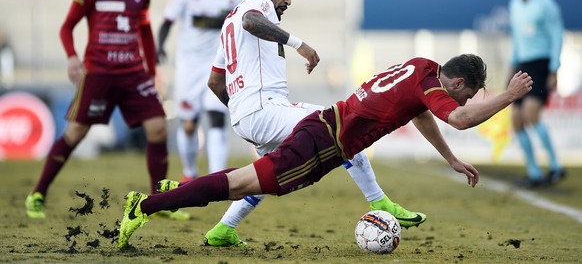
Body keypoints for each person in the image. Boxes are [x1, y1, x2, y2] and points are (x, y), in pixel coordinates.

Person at [124, 0, 426, 248]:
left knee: (258, 180)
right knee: (341, 127)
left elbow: (215, 82)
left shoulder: (227, 22)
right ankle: (380, 201)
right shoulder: (259, 5)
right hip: (263, 109)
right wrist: (300, 45)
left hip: (248, 116)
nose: (289, 0)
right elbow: (251, 21)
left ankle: (221, 229)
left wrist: (243, 110)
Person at [117, 54, 533, 249]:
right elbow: (458, 119)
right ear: (457, 83)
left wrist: (451, 159)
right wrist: (509, 96)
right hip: (323, 143)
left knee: (244, 182)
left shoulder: (423, 67)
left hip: (323, 131)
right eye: (468, 95)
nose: (463, 103)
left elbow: (421, 113)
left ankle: (174, 192)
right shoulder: (436, 89)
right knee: (240, 184)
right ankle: (148, 204)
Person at [24, 0, 188, 221]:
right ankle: (38, 193)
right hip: (98, 73)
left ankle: (158, 201)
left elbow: (145, 34)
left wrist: (152, 72)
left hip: (134, 73)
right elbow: (66, 27)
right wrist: (73, 58)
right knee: (75, 133)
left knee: (158, 129)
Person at [157, 0, 242, 182]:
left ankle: (217, 177)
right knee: (188, 123)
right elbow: (167, 22)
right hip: (189, 67)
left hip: (218, 66)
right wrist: (159, 46)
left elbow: (243, 28)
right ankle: (190, 172)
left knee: (217, 117)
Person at [508, 0, 566, 189]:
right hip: (521, 64)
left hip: (541, 64)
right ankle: (533, 171)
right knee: (516, 119)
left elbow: (557, 35)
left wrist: (554, 69)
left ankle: (555, 166)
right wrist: (511, 68)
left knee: (531, 115)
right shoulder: (514, 3)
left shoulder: (546, 3)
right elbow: (516, 40)